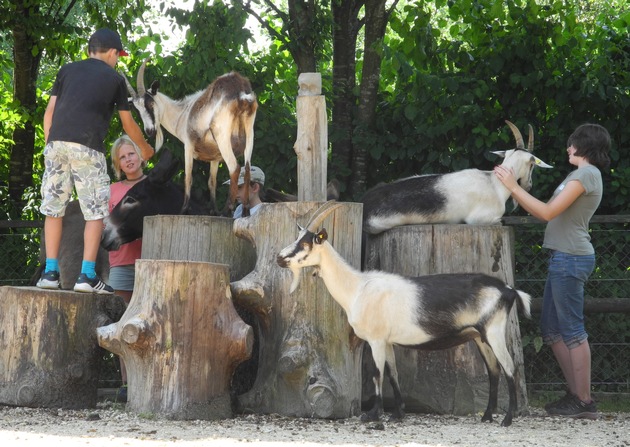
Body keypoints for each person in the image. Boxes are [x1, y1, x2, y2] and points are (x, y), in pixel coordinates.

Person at [494, 123, 611, 420]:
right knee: (552, 329)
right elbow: (547, 211)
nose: (568, 148)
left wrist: (512, 186)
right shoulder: (580, 174)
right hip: (563, 257)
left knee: (571, 330)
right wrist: (514, 188)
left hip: (571, 258)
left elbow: (546, 212)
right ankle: (576, 396)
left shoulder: (586, 173)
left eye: (572, 143)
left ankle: (584, 401)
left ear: (584, 146)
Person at [37, 28, 154, 294]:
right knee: (96, 213)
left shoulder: (67, 70)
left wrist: (51, 147)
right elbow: (128, 122)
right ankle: (87, 276)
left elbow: (49, 113)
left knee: (54, 209)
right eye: (118, 56)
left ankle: (50, 273)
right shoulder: (113, 78)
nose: (117, 61)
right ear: (113, 53)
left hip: (55, 144)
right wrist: (145, 149)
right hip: (87, 147)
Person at [108, 135, 146, 302]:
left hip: (152, 263)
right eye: (122, 157)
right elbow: (105, 227)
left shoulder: (156, 186)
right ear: (119, 165)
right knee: (120, 315)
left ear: (140, 154)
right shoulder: (111, 191)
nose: (128, 160)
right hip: (121, 262)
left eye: (131, 154)